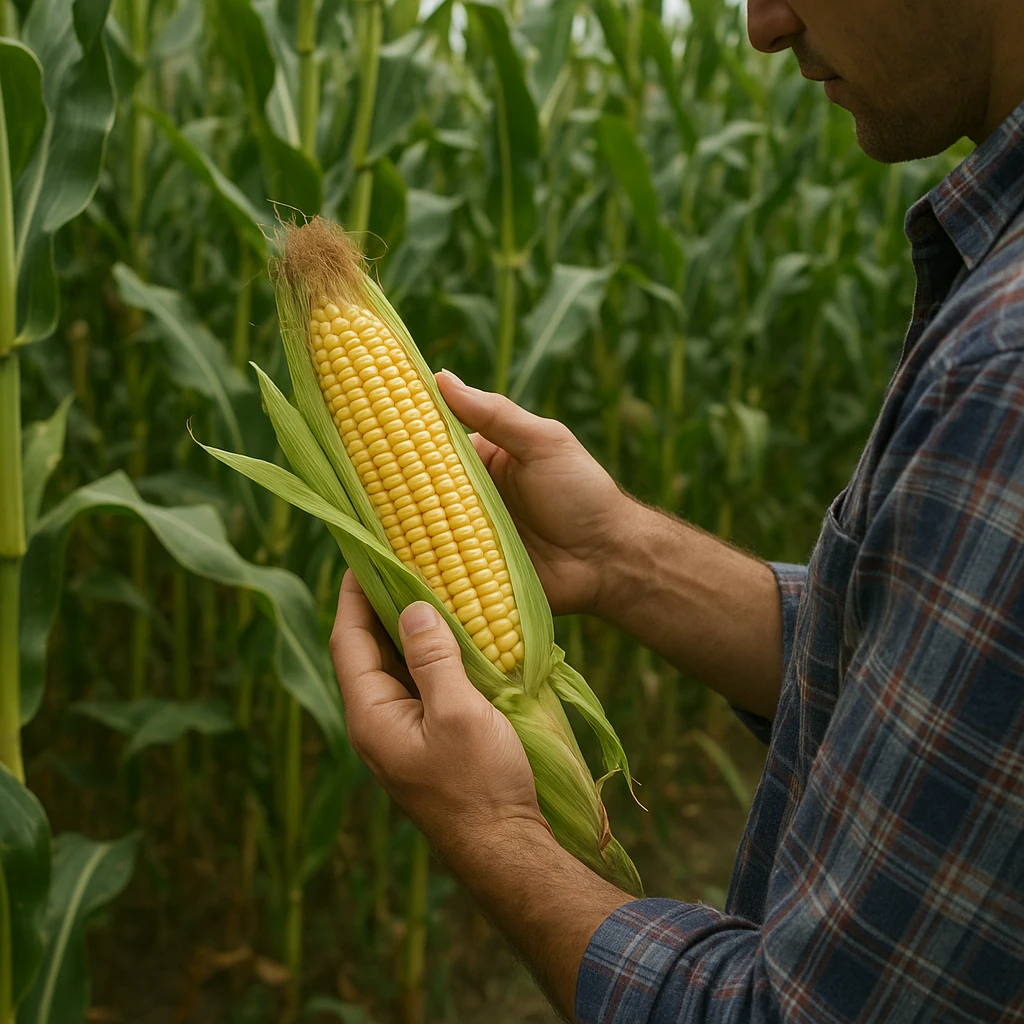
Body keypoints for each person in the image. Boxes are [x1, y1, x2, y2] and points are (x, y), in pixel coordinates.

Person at [329, 0, 1024, 1019]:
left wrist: (486, 827)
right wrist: (621, 555)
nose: (762, 25)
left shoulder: (1006, 369)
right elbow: (931, 668)